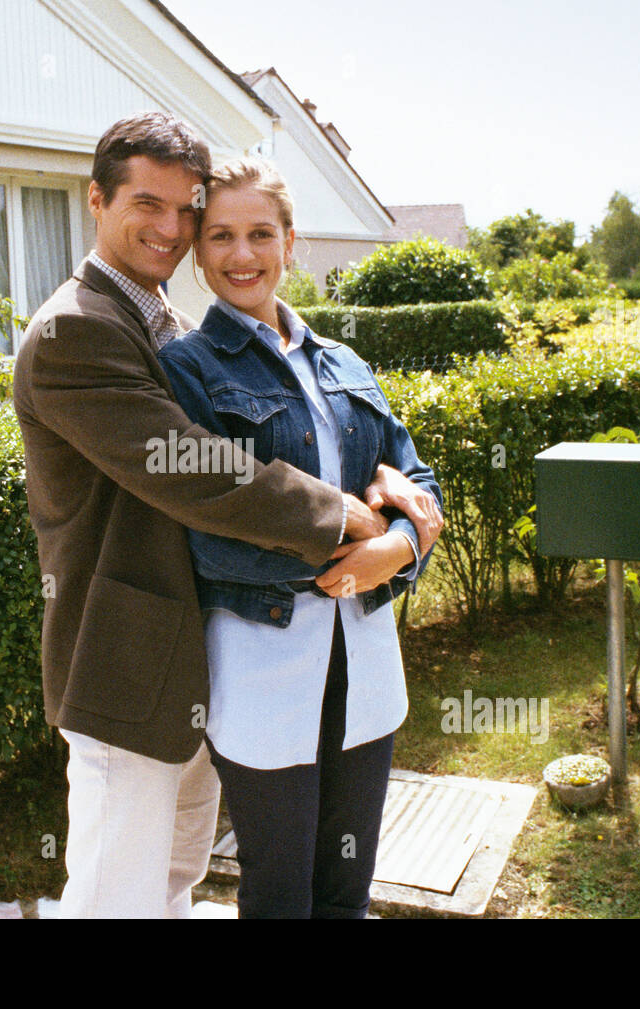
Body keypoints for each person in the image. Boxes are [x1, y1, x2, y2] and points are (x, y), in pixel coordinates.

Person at [12, 113, 438, 918]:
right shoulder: (76, 328)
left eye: (186, 209)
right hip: (124, 656)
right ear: (95, 199)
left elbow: (371, 450)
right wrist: (344, 514)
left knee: (173, 878)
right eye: (149, 204)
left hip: (195, 656)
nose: (170, 229)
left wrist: (402, 513)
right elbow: (194, 469)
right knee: (115, 897)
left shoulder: (160, 320)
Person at [156, 157, 444, 918]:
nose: (241, 254)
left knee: (346, 891)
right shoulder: (185, 369)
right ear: (198, 251)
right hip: (263, 669)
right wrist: (362, 542)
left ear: (291, 243)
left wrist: (400, 548)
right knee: (282, 894)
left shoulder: (344, 362)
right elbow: (209, 525)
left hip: (366, 669)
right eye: (220, 235)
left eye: (259, 233)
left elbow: (420, 484)